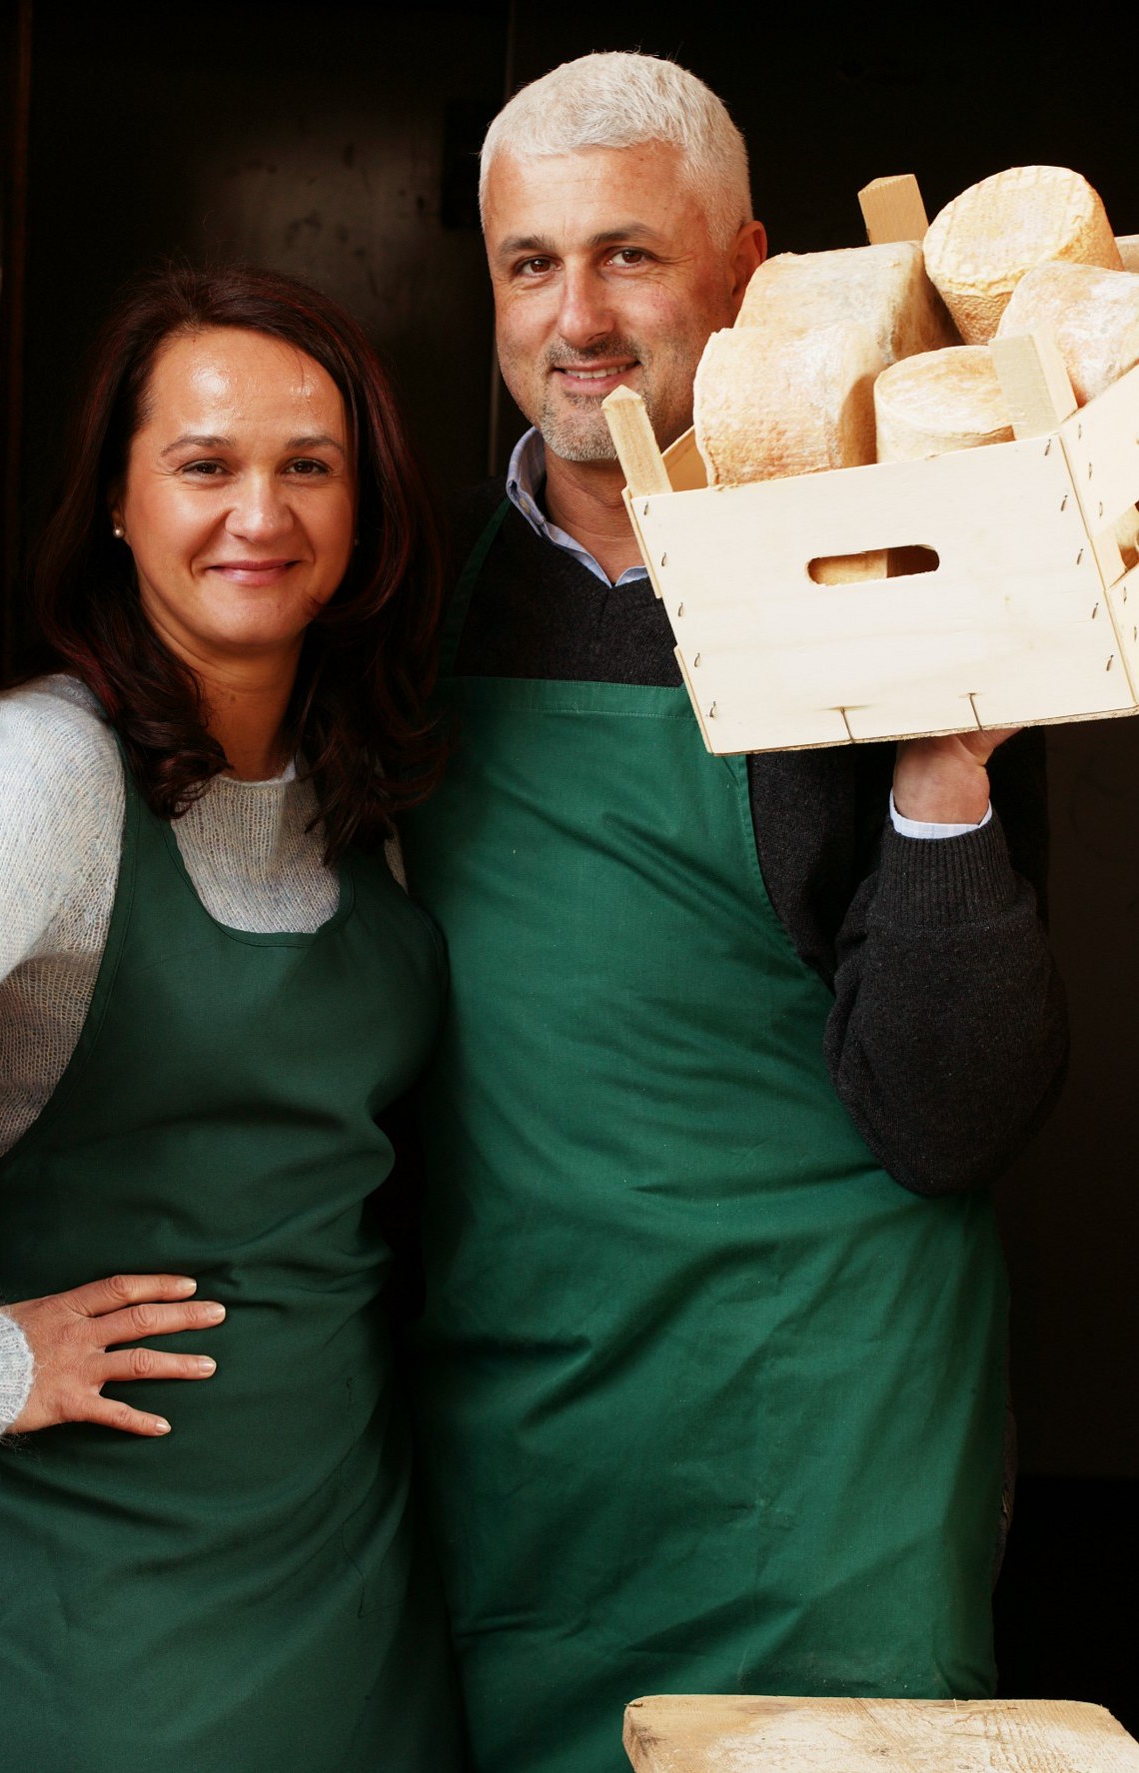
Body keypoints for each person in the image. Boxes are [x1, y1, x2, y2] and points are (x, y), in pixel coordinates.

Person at [398, 51, 1070, 1773]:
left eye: (630, 254)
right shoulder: (402, 607)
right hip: (526, 1424)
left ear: (750, 268)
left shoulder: (903, 576)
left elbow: (956, 1116)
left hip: (827, 1438)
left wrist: (944, 767)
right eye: (532, 263)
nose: (577, 318)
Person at [0, 264, 467, 1770]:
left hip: (350, 1575)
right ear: (117, 504)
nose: (261, 513)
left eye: (309, 466)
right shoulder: (37, 778)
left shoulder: (365, 788)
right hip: (85, 1605)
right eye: (203, 465)